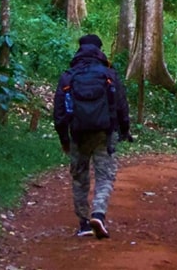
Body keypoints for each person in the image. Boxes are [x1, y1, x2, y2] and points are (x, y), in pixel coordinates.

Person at [53, 34, 131, 239]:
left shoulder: (68, 76)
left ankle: (84, 223)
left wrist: (64, 139)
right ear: (99, 49)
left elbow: (59, 112)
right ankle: (98, 213)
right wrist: (124, 130)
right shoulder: (108, 74)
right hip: (104, 134)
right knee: (105, 175)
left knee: (80, 178)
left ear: (79, 49)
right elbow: (122, 105)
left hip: (78, 134)